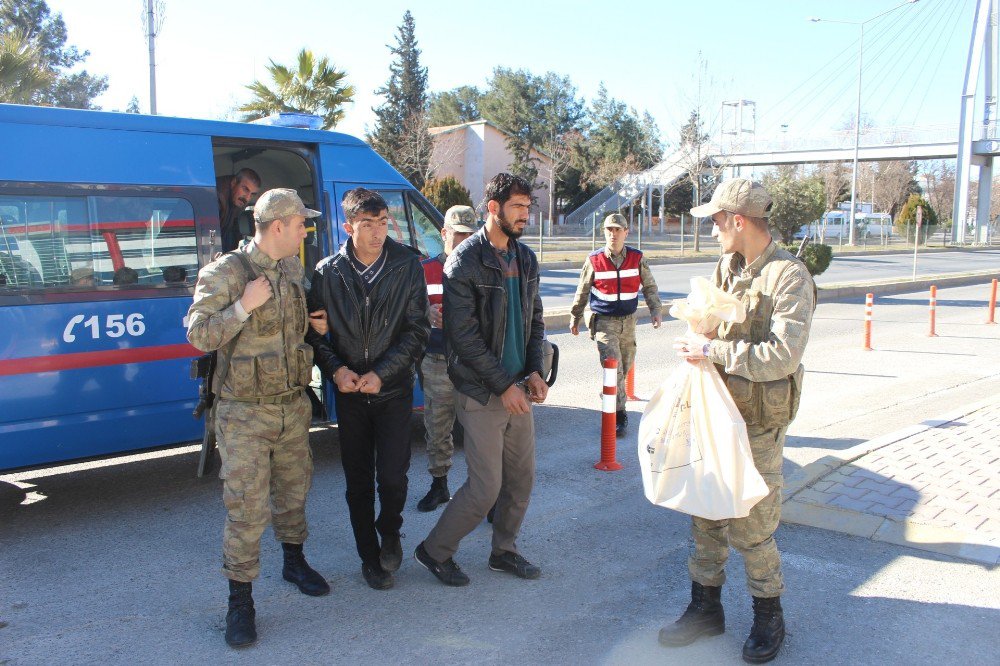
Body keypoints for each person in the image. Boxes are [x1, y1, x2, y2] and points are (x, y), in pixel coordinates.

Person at [662, 178, 815, 664]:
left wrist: (713, 348)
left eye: (715, 220)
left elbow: (782, 356)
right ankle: (705, 607)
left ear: (738, 220)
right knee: (705, 509)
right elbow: (713, 321)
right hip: (716, 411)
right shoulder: (728, 266)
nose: (711, 230)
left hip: (758, 421)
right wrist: (696, 334)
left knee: (751, 521)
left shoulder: (789, 276)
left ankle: (768, 613)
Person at [187, 188, 330, 649]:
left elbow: (291, 331)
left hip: (291, 404)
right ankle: (240, 600)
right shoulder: (227, 272)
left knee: (293, 492)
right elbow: (198, 335)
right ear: (277, 227)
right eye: (300, 224)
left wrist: (316, 326)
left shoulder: (291, 269)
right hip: (244, 413)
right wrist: (242, 306)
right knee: (246, 509)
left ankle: (294, 560)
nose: (305, 230)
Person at [414, 172, 548, 587]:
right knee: (485, 487)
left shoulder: (525, 258)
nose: (525, 215)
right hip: (480, 390)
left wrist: (533, 371)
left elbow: (534, 321)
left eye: (528, 207)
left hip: (517, 387)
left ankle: (503, 551)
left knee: (521, 479)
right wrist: (504, 386)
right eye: (517, 207)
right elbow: (465, 339)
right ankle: (434, 551)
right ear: (493, 208)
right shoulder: (464, 261)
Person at [306, 188, 429, 591]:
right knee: (358, 481)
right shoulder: (328, 272)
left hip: (392, 391)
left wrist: (383, 371)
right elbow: (315, 333)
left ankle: (390, 531)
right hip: (350, 394)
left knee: (393, 477)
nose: (377, 233)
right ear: (348, 226)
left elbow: (417, 330)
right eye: (366, 225)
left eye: (381, 224)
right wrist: (336, 370)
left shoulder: (406, 264)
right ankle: (369, 555)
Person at [569, 212, 662, 437]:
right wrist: (576, 317)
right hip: (604, 323)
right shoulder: (595, 260)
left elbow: (649, 286)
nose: (613, 234)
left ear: (626, 233)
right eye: (609, 230)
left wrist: (655, 310)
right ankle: (618, 415)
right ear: (604, 233)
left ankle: (611, 398)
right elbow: (582, 290)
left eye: (617, 230)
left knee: (625, 367)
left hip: (629, 322)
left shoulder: (637, 258)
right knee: (613, 366)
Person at [416, 205, 478, 512]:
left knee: (481, 433)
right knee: (437, 427)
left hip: (473, 364)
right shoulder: (424, 269)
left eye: (470, 235)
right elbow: (407, 312)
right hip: (438, 360)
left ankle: (486, 493)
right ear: (444, 234)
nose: (464, 241)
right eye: (458, 235)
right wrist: (425, 314)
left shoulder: (481, 268)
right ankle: (439, 485)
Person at [217, 168, 262, 252]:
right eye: (245, 189)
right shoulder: (216, 197)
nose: (247, 198)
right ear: (234, 183)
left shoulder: (236, 200)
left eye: (252, 194)